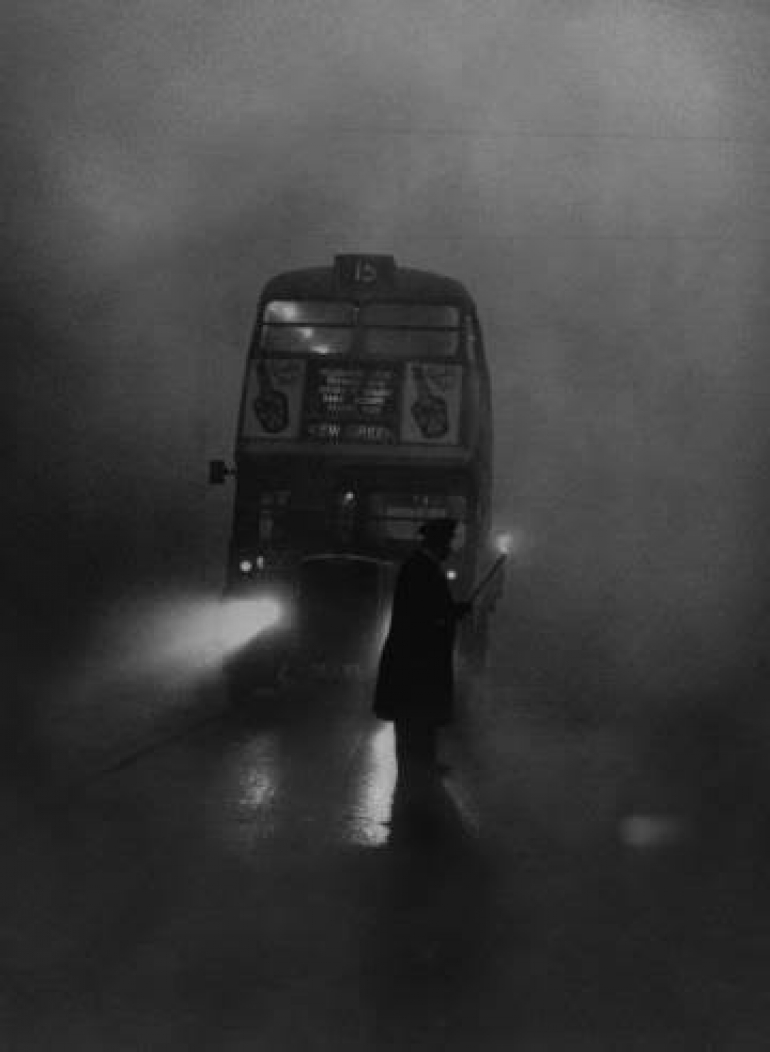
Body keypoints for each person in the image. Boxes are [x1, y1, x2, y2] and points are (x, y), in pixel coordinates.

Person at [374, 517, 472, 777]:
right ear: (437, 543)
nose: (450, 548)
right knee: (415, 714)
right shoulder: (421, 569)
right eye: (447, 542)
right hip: (416, 657)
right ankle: (416, 766)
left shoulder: (421, 566)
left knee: (418, 714)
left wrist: (451, 612)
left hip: (416, 656)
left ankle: (421, 763)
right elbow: (425, 612)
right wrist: (453, 612)